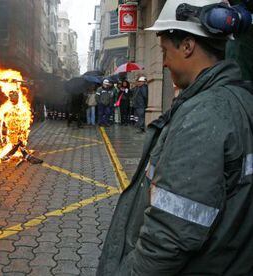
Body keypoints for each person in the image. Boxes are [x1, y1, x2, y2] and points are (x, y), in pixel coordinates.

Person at [97, 0, 253, 275]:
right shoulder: (241, 99)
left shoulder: (204, 116)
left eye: (164, 50)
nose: (165, 62)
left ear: (187, 45)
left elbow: (169, 238)